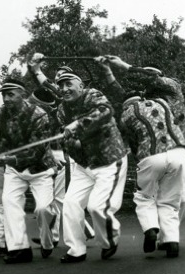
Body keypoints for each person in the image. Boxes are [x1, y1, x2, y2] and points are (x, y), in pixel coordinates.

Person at [96, 56, 185, 257]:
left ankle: (157, 232)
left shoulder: (172, 88)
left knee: (176, 199)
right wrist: (107, 70)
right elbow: (122, 94)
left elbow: (128, 108)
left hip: (179, 145)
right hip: (175, 150)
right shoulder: (150, 100)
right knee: (170, 199)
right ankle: (169, 239)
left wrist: (122, 65)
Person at [40, 67, 127, 263]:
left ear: (81, 85)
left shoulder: (92, 95)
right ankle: (76, 250)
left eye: (68, 83)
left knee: (97, 207)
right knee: (70, 204)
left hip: (109, 160)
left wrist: (78, 125)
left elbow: (105, 111)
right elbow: (69, 142)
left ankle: (109, 240)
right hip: (84, 165)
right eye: (61, 85)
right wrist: (74, 143)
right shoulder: (62, 110)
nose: (64, 88)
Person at [0, 79, 57, 264]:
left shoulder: (39, 115)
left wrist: (11, 159)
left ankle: (47, 242)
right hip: (14, 171)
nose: (6, 99)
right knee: (8, 202)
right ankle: (20, 249)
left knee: (43, 209)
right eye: (3, 95)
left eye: (10, 94)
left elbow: (37, 151)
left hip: (40, 170)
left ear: (22, 94)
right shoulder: (0, 113)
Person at [27, 86, 95, 247]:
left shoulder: (50, 117)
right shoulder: (49, 115)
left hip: (61, 159)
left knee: (59, 201)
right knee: (59, 201)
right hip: (57, 159)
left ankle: (62, 235)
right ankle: (65, 234)